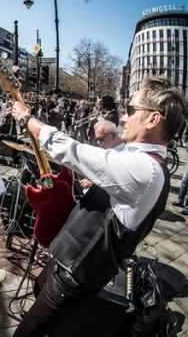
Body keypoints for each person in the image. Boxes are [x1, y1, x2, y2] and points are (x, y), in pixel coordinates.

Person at [11, 76, 185, 337]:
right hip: (70, 262)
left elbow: (74, 151)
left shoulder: (146, 169)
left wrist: (29, 120)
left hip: (75, 275)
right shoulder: (140, 159)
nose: (124, 118)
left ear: (153, 119)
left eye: (130, 110)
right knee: (41, 296)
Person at [79, 119, 123, 190]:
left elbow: (117, 180)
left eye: (101, 139)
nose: (98, 143)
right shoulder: (110, 151)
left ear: (113, 135)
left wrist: (93, 183)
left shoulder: (122, 153)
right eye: (97, 140)